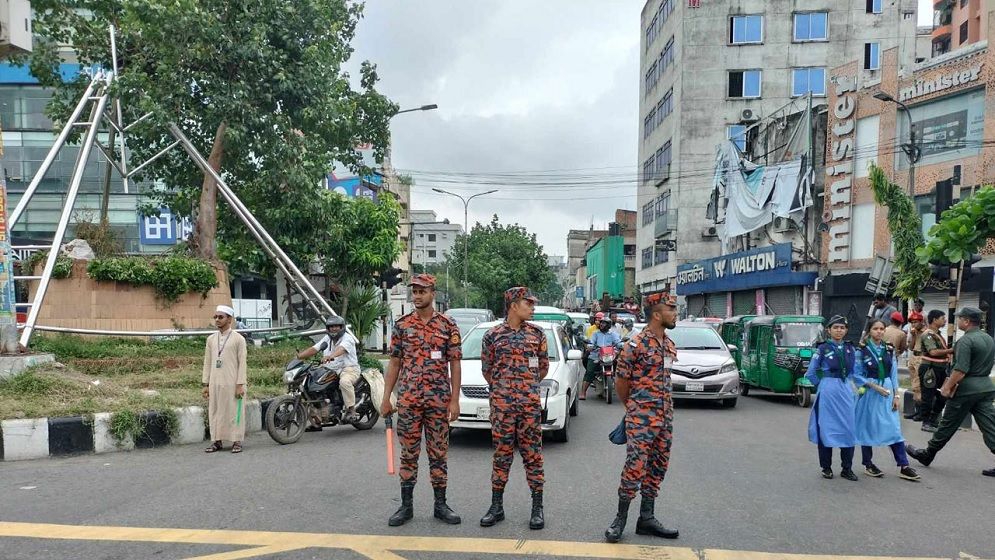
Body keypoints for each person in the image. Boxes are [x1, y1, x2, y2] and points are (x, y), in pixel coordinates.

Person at [380, 274, 462, 526]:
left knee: (438, 454)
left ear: (432, 293)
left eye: (422, 291)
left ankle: (440, 504)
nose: (417, 296)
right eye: (414, 292)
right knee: (409, 454)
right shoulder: (402, 326)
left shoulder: (448, 326)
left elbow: (455, 364)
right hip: (409, 401)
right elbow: (394, 363)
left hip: (438, 402)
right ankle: (406, 507)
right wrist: (386, 398)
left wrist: (455, 400)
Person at [604, 292, 680, 543]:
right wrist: (633, 408)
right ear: (657, 314)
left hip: (665, 417)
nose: (675, 313)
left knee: (658, 466)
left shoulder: (669, 344)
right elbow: (621, 381)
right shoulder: (634, 345)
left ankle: (646, 518)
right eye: (671, 309)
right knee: (635, 467)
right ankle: (620, 519)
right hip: (641, 417)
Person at [479, 287, 549, 530]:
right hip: (502, 407)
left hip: (529, 406)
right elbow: (487, 370)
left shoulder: (537, 334)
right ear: (513, 305)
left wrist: (526, 388)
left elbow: (543, 368)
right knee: (502, 456)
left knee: (533, 456)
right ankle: (496, 506)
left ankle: (537, 508)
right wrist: (504, 390)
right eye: (528, 303)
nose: (532, 308)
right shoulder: (493, 335)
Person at [908, 307, 995, 477]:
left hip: (966, 389)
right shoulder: (988, 338)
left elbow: (961, 369)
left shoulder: (965, 341)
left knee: (947, 424)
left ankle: (927, 454)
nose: (958, 321)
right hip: (985, 387)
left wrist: (947, 387)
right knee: (990, 425)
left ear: (967, 321)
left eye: (960, 318)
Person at [854, 319, 920, 481]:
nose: (879, 331)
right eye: (875, 329)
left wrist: (896, 395)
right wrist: (875, 387)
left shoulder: (889, 349)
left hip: (888, 392)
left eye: (882, 329)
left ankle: (903, 465)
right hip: (870, 392)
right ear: (869, 331)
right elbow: (857, 375)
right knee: (867, 428)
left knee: (894, 430)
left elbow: (893, 374)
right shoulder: (861, 351)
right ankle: (868, 463)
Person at [805, 315, 858, 481]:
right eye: (835, 327)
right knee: (826, 428)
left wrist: (857, 389)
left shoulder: (851, 349)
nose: (839, 330)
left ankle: (847, 468)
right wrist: (823, 385)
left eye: (842, 328)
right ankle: (826, 467)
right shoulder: (822, 349)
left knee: (848, 430)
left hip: (846, 391)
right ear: (829, 330)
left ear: (846, 330)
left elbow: (854, 373)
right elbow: (811, 373)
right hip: (828, 391)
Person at [296, 316, 362, 425]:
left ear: (342, 327)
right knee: (311, 384)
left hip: (349, 369)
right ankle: (316, 420)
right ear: (328, 328)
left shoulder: (348, 338)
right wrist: (299, 356)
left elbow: (341, 349)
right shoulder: (327, 339)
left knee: (344, 382)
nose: (334, 329)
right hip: (330, 369)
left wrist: (331, 356)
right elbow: (314, 349)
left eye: (336, 326)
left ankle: (351, 410)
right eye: (331, 327)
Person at [202, 305, 248, 454]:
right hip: (215, 382)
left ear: (229, 319)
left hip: (233, 383)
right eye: (215, 317)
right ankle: (217, 441)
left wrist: (240, 384)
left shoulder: (239, 339)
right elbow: (207, 362)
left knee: (235, 411)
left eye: (220, 317)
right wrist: (206, 384)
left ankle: (236, 441)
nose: (217, 320)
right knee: (215, 411)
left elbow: (242, 363)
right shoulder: (210, 339)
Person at [916, 310, 954, 432]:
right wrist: (951, 350)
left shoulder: (937, 334)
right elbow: (933, 352)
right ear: (934, 320)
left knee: (943, 394)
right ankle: (926, 422)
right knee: (928, 395)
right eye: (942, 318)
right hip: (930, 369)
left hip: (940, 369)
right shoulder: (928, 334)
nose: (945, 320)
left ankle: (933, 420)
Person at [582, 317, 622, 400]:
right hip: (596, 355)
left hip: (609, 356)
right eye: (601, 323)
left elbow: (618, 342)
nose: (601, 324)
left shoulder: (613, 334)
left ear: (608, 325)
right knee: (590, 371)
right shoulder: (595, 333)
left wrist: (622, 345)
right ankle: (583, 392)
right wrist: (590, 346)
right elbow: (591, 342)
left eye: (604, 323)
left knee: (621, 368)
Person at [904, 310, 925, 419]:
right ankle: (917, 411)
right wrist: (912, 336)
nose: (913, 324)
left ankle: (921, 412)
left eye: (915, 322)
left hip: (921, 358)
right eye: (912, 322)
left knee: (918, 385)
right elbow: (911, 347)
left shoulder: (926, 332)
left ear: (922, 322)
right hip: (914, 356)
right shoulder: (915, 332)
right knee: (913, 384)